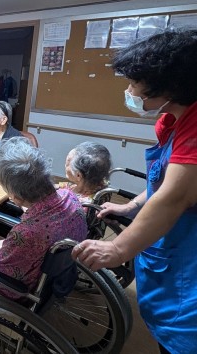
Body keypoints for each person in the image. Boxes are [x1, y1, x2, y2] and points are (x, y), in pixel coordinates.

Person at [72, 30, 197, 354]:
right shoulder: (173, 119)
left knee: (181, 337)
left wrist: (118, 249)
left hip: (188, 260)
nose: (129, 91)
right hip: (170, 249)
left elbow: (175, 196)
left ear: (168, 86)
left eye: (134, 83)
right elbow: (164, 181)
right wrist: (132, 206)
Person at [0, 137, 87, 299]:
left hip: (18, 289)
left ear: (15, 196)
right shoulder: (70, 196)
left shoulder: (26, 234)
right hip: (54, 276)